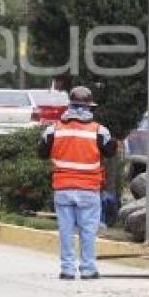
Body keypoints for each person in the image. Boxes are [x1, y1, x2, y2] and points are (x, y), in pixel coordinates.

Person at [38, 86, 116, 280]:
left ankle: (67, 269)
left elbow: (41, 152)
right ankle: (88, 269)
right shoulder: (99, 130)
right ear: (89, 107)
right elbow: (110, 151)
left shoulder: (53, 129)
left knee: (65, 231)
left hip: (63, 188)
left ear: (69, 105)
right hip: (89, 189)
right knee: (88, 231)